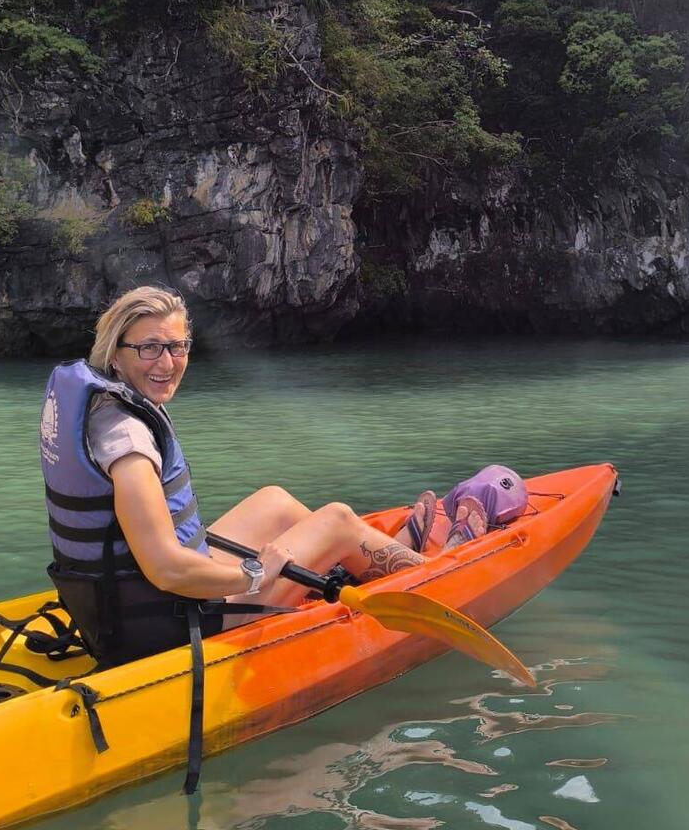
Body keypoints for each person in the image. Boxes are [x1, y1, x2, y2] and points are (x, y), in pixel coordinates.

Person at [40, 285, 434, 668]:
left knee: (274, 502)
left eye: (177, 347)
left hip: (127, 606)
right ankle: (434, 581)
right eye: (149, 348)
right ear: (115, 353)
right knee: (337, 521)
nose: (166, 363)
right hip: (169, 624)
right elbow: (166, 569)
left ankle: (358, 567)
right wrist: (253, 576)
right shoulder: (128, 443)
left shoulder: (110, 406)